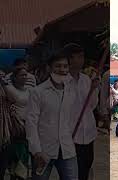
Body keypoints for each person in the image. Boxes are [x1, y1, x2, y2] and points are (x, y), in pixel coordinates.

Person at [25, 50, 78, 179]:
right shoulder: (38, 92)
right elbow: (31, 122)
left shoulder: (71, 91)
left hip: (67, 149)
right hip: (43, 151)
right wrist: (36, 150)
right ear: (49, 68)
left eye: (65, 66)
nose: (62, 69)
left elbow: (75, 116)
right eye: (58, 66)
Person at [64, 43, 100, 180]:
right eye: (78, 57)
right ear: (69, 59)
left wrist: (94, 89)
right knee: (73, 171)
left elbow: (92, 105)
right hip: (71, 133)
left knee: (86, 166)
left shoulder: (86, 80)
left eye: (82, 56)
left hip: (88, 132)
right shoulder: (63, 82)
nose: (82, 60)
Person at [1, 68, 30, 180]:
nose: (25, 77)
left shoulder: (29, 90)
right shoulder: (10, 88)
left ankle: (19, 174)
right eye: (21, 75)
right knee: (13, 157)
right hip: (13, 129)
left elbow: (13, 100)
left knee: (21, 157)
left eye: (25, 75)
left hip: (21, 129)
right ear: (15, 77)